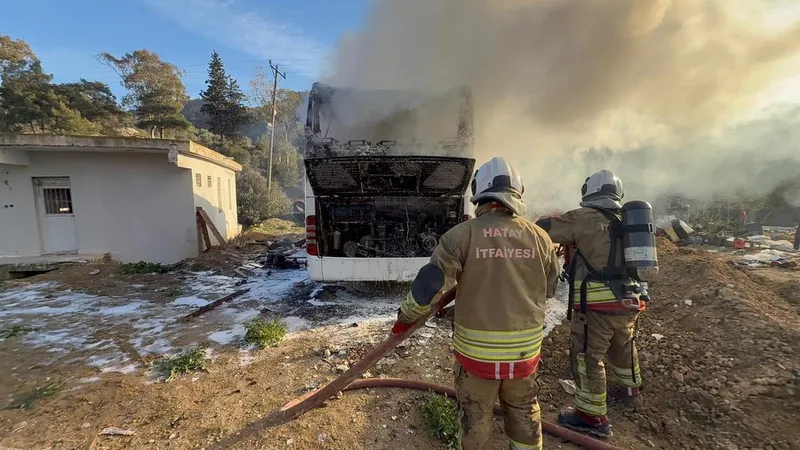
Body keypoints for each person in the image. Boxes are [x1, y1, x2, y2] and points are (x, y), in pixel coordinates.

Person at [393, 156, 560, 450]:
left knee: (475, 418)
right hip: (524, 356)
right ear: (518, 192)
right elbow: (548, 289)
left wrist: (405, 318)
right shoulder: (541, 238)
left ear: (479, 192)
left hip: (476, 358)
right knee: (524, 413)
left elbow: (429, 286)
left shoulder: (462, 235)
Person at [535, 169, 645, 439]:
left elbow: (542, 229)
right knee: (624, 344)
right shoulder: (626, 221)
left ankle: (592, 417)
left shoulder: (583, 217)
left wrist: (549, 216)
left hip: (595, 304)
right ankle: (631, 389)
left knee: (587, 356)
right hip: (628, 300)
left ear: (590, 191)